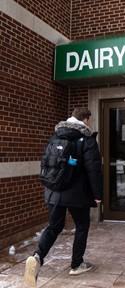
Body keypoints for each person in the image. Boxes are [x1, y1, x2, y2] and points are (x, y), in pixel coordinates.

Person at [24, 108, 103, 287]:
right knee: (82, 225)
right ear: (86, 118)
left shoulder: (56, 136)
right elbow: (94, 170)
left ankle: (37, 257)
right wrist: (97, 194)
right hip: (77, 194)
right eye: (89, 120)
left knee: (54, 226)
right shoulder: (87, 139)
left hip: (53, 191)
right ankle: (77, 264)